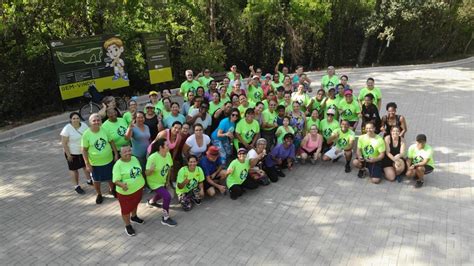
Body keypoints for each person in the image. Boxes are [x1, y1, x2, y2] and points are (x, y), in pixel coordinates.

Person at [81, 113, 119, 204]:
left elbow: (111, 142)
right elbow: (84, 150)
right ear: (90, 122)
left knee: (110, 177)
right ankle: (99, 194)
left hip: (108, 160)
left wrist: (116, 154)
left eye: (98, 120)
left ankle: (112, 189)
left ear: (101, 121)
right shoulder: (86, 134)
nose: (96, 122)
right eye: (94, 120)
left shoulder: (105, 130)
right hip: (95, 163)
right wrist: (87, 163)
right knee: (96, 180)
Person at [112, 145, 145, 236]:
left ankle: (134, 217)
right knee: (126, 210)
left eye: (129, 150)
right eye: (125, 152)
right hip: (126, 193)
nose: (128, 153)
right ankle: (127, 225)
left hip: (138, 188)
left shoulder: (134, 159)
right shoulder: (118, 165)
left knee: (135, 203)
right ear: (120, 153)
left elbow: (139, 171)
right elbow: (115, 180)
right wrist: (122, 185)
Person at [145, 138, 177, 227]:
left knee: (162, 193)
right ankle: (165, 218)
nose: (169, 147)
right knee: (167, 197)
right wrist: (151, 170)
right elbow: (146, 173)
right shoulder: (153, 158)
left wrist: (167, 181)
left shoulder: (168, 154)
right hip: (153, 182)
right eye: (167, 145)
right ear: (160, 147)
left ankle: (151, 202)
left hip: (162, 180)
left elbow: (169, 168)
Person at [60, 112, 93, 194]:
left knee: (86, 166)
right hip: (72, 153)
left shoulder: (84, 126)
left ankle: (89, 180)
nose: (76, 120)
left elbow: (88, 136)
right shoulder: (67, 128)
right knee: (74, 170)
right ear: (71, 119)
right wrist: (68, 155)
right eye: (73, 118)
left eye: (77, 118)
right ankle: (76, 186)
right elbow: (64, 143)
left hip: (83, 151)